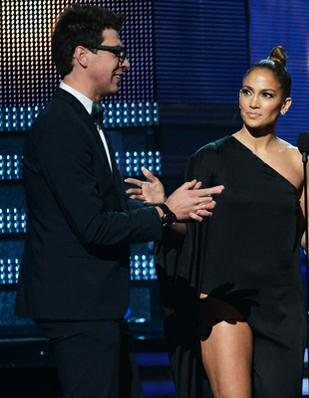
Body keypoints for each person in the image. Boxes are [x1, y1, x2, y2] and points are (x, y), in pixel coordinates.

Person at [15, 4, 224, 398]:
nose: (125, 63)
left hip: (96, 308)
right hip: (77, 308)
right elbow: (93, 225)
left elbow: (103, 210)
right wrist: (165, 213)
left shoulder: (85, 122)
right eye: (118, 52)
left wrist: (154, 206)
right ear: (82, 55)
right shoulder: (61, 127)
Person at [131, 46, 309, 397]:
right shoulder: (208, 158)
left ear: (285, 104)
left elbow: (306, 227)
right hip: (223, 296)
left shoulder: (300, 161)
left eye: (266, 95)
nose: (253, 103)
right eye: (247, 92)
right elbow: (187, 235)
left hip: (280, 302)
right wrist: (164, 209)